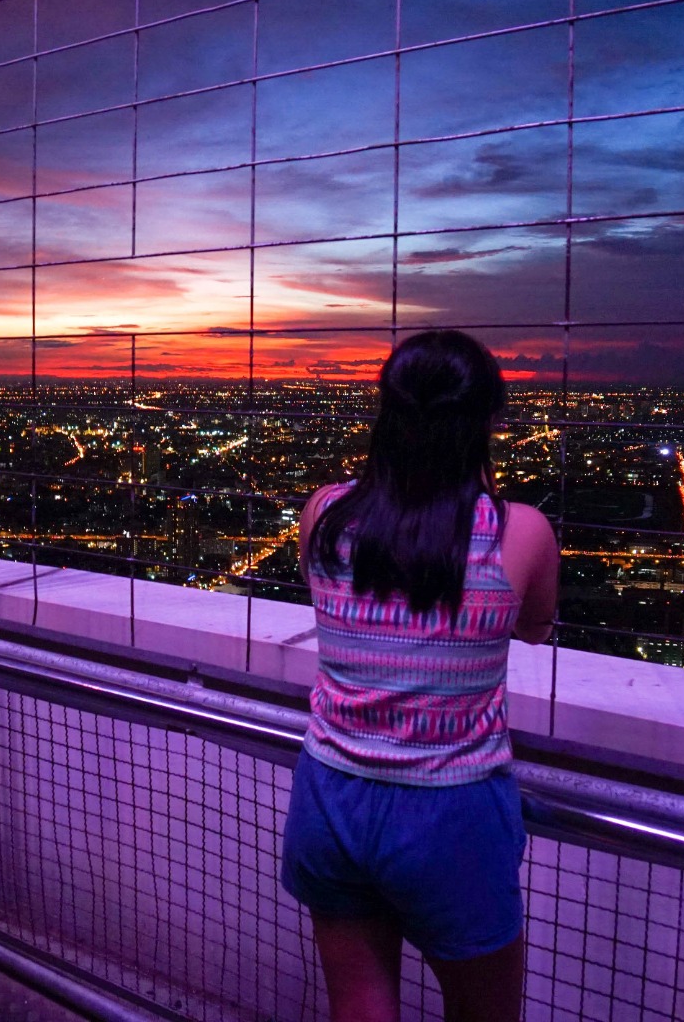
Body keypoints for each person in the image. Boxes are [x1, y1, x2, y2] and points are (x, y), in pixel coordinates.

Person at [280, 330, 559, 1022]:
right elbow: (535, 624)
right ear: (486, 421)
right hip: (450, 809)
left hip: (331, 794)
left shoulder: (325, 513)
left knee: (360, 1010)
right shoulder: (518, 532)